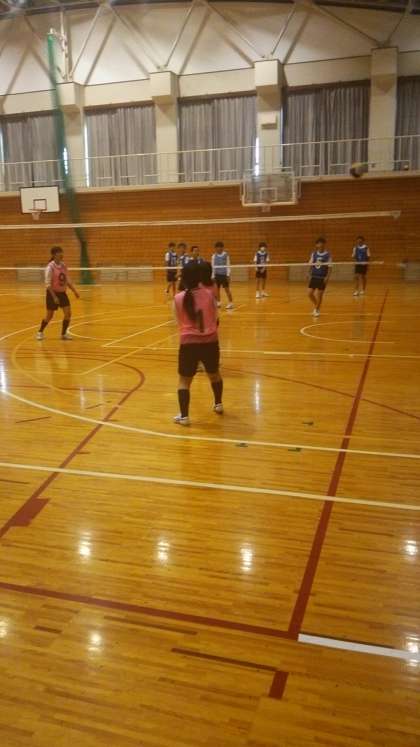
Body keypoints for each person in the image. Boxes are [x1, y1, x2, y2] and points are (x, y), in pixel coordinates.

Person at [173, 262, 223, 425]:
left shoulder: (178, 298)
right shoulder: (209, 294)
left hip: (189, 343)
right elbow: (215, 318)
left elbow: (178, 322)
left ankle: (184, 416)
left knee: (184, 381)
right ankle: (218, 404)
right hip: (210, 341)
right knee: (214, 374)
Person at [36, 246, 79, 340]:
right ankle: (40, 332)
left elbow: (67, 279)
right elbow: (47, 284)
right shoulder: (50, 267)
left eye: (61, 252)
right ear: (54, 255)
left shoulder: (63, 266)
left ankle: (63, 334)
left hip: (62, 293)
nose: (61, 254)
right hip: (52, 293)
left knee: (68, 313)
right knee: (49, 316)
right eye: (59, 252)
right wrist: (54, 297)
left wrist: (74, 291)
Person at [308, 237, 331, 317]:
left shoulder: (327, 255)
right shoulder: (314, 254)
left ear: (324, 244)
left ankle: (317, 309)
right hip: (314, 276)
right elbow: (311, 265)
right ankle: (317, 306)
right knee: (309, 294)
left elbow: (330, 267)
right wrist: (309, 274)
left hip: (322, 277)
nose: (321, 245)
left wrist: (327, 277)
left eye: (322, 243)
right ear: (316, 245)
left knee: (319, 295)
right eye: (319, 243)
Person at [211, 241, 234, 309]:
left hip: (224, 275)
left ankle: (231, 303)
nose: (219, 249)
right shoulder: (213, 256)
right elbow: (212, 266)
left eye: (220, 247)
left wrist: (228, 275)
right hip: (216, 275)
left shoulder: (226, 255)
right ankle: (218, 302)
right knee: (217, 290)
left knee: (227, 289)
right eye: (217, 247)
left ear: (222, 248)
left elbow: (228, 265)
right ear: (215, 248)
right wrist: (212, 276)